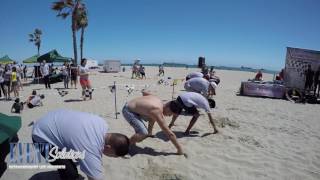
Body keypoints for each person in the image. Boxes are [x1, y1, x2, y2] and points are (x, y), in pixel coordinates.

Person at [32, 109, 130, 180]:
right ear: (108, 147)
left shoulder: (102, 123)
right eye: (113, 156)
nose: (111, 157)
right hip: (41, 137)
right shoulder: (90, 147)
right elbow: (95, 178)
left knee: (76, 159)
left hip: (51, 118)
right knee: (71, 174)